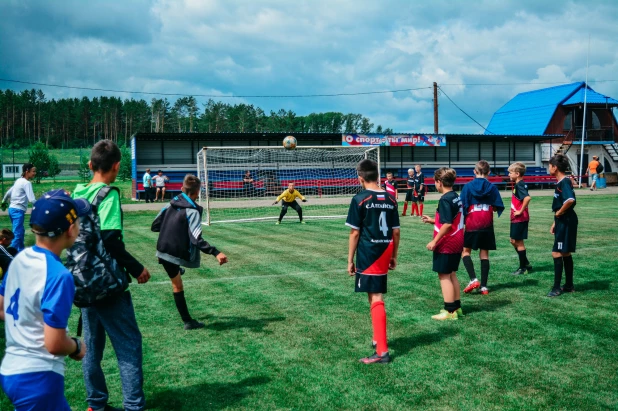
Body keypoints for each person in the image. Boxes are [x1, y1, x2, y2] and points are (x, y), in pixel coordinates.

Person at [73, 140, 151, 411]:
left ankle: (95, 404)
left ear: (91, 164)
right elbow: (111, 240)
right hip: (106, 283)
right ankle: (133, 406)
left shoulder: (78, 192)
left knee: (91, 348)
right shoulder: (109, 194)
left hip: (82, 281)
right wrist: (137, 268)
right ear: (117, 166)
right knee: (128, 345)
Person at [0, 189, 89, 410]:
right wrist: (77, 346)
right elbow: (54, 343)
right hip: (38, 379)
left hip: (11, 371)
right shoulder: (58, 275)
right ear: (70, 230)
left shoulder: (20, 259)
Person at [151, 175, 229, 330]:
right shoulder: (192, 211)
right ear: (198, 192)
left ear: (182, 189)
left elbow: (154, 225)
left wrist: (171, 228)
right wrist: (216, 252)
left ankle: (178, 268)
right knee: (177, 286)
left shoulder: (170, 204)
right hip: (170, 254)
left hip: (162, 249)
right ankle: (188, 322)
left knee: (176, 270)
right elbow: (196, 239)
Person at [346, 159, 400, 363]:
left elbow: (354, 233)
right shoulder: (391, 198)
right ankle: (378, 339)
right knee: (373, 294)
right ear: (378, 176)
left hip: (369, 253)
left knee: (376, 296)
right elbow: (395, 231)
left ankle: (382, 353)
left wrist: (350, 260)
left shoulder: (360, 199)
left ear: (360, 178)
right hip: (385, 249)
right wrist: (394, 255)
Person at [422, 168, 464, 320]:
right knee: (451, 273)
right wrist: (433, 221)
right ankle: (457, 307)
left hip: (447, 242)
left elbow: (446, 224)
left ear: (439, 182)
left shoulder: (445, 199)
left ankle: (450, 311)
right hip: (458, 240)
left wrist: (434, 240)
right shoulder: (455, 197)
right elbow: (452, 219)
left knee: (444, 275)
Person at [460, 160, 504, 295]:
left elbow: (462, 206)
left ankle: (473, 278)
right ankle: (484, 286)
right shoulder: (492, 187)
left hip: (472, 224)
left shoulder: (467, 187)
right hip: (487, 224)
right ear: (489, 172)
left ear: (474, 171)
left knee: (465, 252)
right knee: (484, 254)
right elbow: (497, 206)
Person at [547, 154, 578, 297]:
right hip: (563, 221)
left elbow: (570, 200)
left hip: (566, 220)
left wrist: (559, 213)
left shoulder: (564, 182)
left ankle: (556, 288)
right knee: (565, 252)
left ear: (555, 167)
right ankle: (569, 285)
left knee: (556, 252)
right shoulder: (561, 182)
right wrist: (555, 221)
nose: (548, 168)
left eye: (549, 165)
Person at [1, 163, 37, 252]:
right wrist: (40, 206)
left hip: (12, 209)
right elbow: (31, 199)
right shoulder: (27, 183)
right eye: (33, 171)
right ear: (27, 171)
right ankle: (9, 254)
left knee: (20, 232)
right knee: (17, 233)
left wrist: (3, 201)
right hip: (18, 211)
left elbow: (9, 192)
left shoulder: (18, 181)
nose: (35, 173)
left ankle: (20, 252)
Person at [508, 162, 533, 276]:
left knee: (518, 242)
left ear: (517, 174)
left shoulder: (520, 185)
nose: (509, 175)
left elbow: (527, 198)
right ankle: (526, 263)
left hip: (520, 218)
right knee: (513, 241)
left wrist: (520, 211)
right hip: (517, 218)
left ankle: (523, 268)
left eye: (510, 172)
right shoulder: (519, 184)